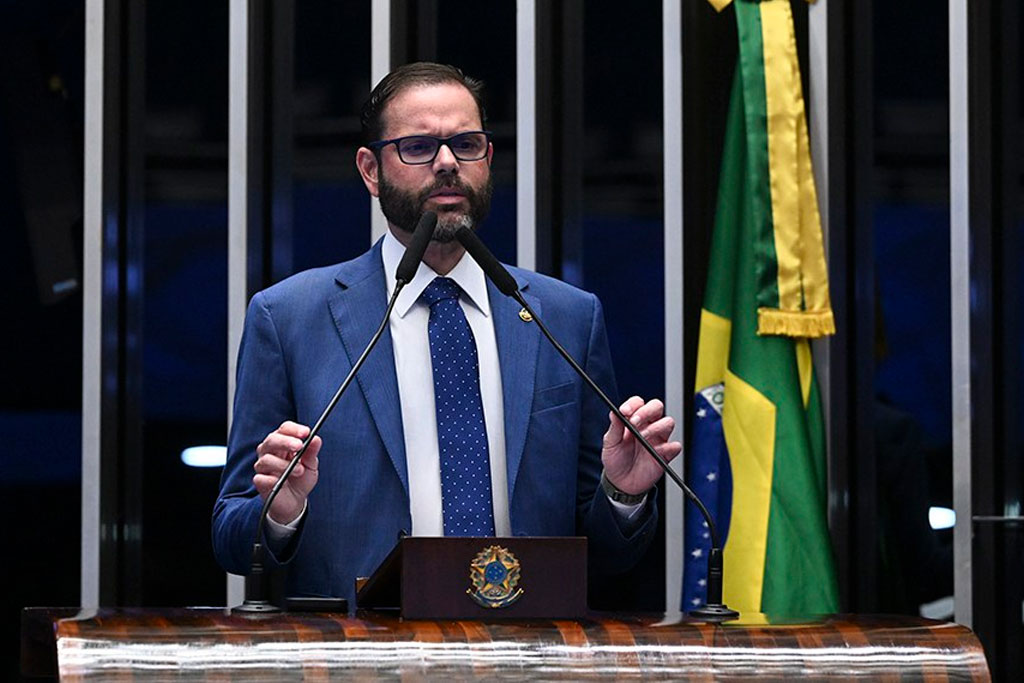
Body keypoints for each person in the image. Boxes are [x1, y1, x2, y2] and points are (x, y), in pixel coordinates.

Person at [212, 62, 681, 603]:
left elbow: (605, 553)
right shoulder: (290, 317)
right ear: (370, 170)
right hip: (359, 656)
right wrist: (281, 512)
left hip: (527, 651)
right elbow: (231, 539)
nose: (447, 163)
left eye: (467, 144)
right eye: (417, 147)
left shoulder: (566, 318)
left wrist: (621, 494)